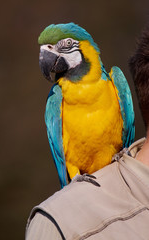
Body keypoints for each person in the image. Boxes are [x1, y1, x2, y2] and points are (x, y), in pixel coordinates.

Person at [25, 25, 149, 240]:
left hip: (120, 177)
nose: (51, 52)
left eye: (66, 45)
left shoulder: (114, 82)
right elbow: (62, 158)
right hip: (81, 184)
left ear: (89, 48)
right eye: (48, 48)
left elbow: (126, 138)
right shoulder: (58, 97)